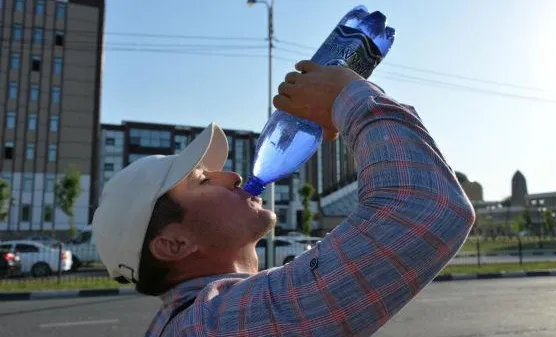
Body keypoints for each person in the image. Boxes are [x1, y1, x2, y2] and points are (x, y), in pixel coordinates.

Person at [92, 60, 475, 336]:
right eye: (203, 181)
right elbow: (426, 207)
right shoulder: (215, 323)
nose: (235, 176)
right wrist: (350, 96)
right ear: (174, 244)